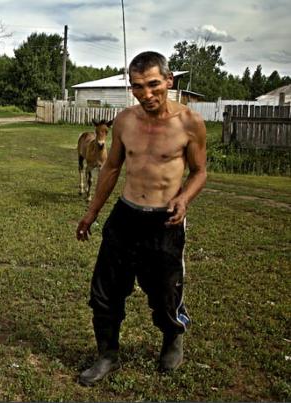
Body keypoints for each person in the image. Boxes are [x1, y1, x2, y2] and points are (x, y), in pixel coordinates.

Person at [75, 51, 207, 385]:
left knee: (165, 291)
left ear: (168, 81)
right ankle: (106, 354)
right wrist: (91, 213)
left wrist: (184, 198)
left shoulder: (189, 123)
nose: (145, 94)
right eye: (137, 87)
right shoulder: (125, 121)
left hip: (165, 221)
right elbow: (112, 167)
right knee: (104, 291)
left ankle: (172, 338)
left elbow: (200, 171)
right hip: (125, 215)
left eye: (152, 85)